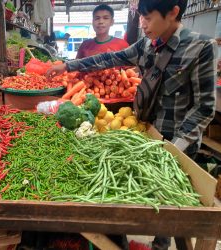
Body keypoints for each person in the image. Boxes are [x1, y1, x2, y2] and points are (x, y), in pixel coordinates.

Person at [47, 0, 218, 249]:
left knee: (171, 211)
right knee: (140, 203)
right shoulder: (148, 45)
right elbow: (111, 58)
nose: (143, 24)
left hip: (178, 146)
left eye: (148, 18)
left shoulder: (201, 47)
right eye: (141, 17)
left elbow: (205, 108)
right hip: (146, 137)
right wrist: (68, 65)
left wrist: (174, 148)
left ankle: (160, 246)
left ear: (173, 13)